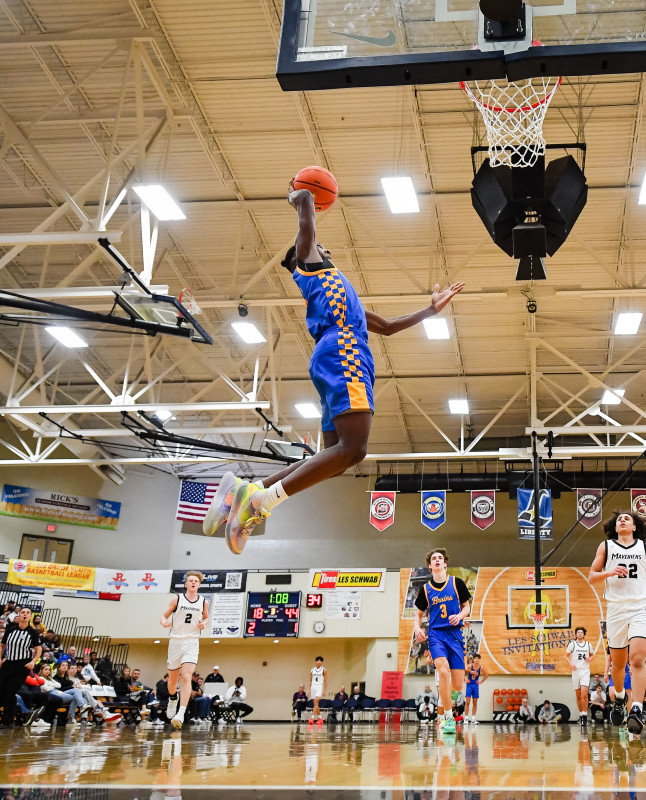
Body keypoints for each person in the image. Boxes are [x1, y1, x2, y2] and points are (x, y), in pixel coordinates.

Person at [202, 180, 465, 553]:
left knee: (336, 457)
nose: (325, 249)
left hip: (339, 354)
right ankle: (262, 502)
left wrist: (431, 309)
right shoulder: (312, 270)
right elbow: (307, 233)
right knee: (354, 449)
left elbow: (387, 327)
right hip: (344, 353)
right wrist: (304, 198)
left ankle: (247, 491)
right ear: (306, 256)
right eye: (318, 248)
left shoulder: (340, 290)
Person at [587, 510, 646, 735]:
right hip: (615, 609)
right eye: (619, 520)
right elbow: (591, 576)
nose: (623, 520)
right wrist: (609, 572)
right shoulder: (606, 547)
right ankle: (619, 697)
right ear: (615, 528)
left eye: (627, 518)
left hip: (639, 607)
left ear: (635, 526)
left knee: (636, 659)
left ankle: (636, 708)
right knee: (617, 665)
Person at [412, 548, 471, 736]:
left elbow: (467, 607)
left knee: (459, 685)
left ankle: (449, 699)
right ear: (430, 566)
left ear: (445, 563)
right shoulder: (425, 589)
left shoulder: (457, 583)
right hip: (436, 634)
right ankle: (447, 717)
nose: (437, 560)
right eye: (433, 559)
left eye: (440, 558)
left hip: (455, 635)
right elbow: (419, 614)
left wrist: (460, 615)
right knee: (443, 672)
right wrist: (417, 628)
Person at [160, 570, 209, 729]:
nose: (193, 582)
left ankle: (181, 713)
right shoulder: (177, 599)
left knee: (186, 676)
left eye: (196, 581)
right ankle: (173, 698)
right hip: (175, 641)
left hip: (192, 641)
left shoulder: (203, 602)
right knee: (172, 682)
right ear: (186, 584)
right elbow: (163, 616)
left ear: (199, 585)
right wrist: (164, 622)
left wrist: (205, 623)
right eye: (191, 580)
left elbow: (206, 616)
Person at [0, 608, 41, 727]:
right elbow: (1, 645)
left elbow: (38, 649)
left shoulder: (33, 632)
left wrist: (33, 661)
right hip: (8, 663)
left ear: (30, 617)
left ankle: (8, 722)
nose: (25, 614)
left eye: (27, 613)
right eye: (23, 612)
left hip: (22, 665)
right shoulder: (10, 630)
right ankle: (24, 712)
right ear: (18, 616)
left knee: (10, 693)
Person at [566, 626, 594, 726]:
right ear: (576, 634)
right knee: (578, 695)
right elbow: (565, 656)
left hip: (585, 671)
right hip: (575, 671)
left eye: (581, 632)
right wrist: (571, 663)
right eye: (578, 632)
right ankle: (581, 714)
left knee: (584, 693)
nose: (580, 634)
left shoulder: (588, 644)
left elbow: (592, 655)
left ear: (584, 634)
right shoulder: (572, 644)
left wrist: (590, 659)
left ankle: (585, 716)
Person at [463, 655, 485, 726]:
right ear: (473, 659)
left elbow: (486, 675)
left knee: (475, 702)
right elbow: (462, 671)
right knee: (468, 701)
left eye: (478, 658)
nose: (477, 659)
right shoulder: (469, 666)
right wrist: (464, 679)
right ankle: (466, 719)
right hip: (469, 685)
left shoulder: (481, 667)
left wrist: (481, 681)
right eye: (475, 658)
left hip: (476, 686)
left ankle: (473, 719)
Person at [310, 657, 327, 724]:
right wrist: (308, 689)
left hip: (319, 686)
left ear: (322, 662)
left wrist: (324, 690)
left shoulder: (324, 670)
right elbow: (310, 680)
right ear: (316, 662)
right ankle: (320, 718)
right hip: (313, 686)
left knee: (316, 701)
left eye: (320, 661)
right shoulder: (312, 670)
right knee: (315, 704)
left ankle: (312, 718)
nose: (319, 662)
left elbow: (325, 681)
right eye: (318, 660)